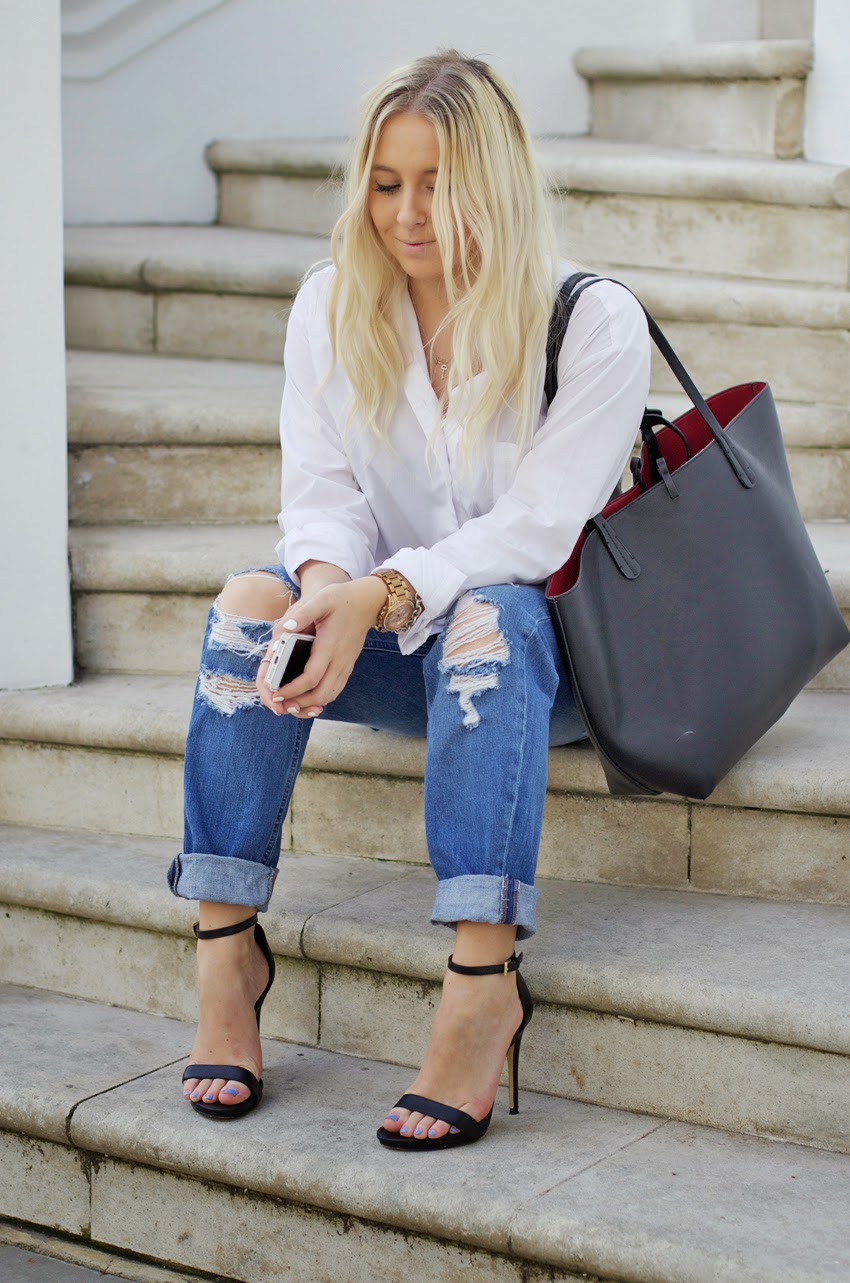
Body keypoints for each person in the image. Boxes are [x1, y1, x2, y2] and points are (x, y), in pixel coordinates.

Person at [169, 49, 650, 1149]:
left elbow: (535, 530)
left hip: (546, 666)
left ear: (499, 182)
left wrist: (381, 594)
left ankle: (483, 981)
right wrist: (328, 593)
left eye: (438, 182)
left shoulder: (592, 320)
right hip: (397, 643)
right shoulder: (333, 308)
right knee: (254, 601)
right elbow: (322, 497)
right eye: (387, 182)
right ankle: (225, 951)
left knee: (493, 610)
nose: (408, 212)